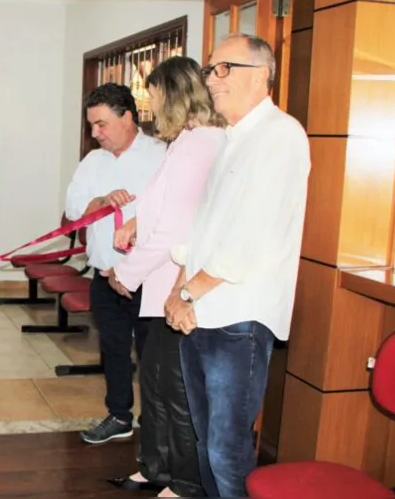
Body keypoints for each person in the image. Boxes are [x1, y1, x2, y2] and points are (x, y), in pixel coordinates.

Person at [164, 34, 311, 498]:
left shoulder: (281, 135)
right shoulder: (232, 138)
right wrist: (177, 289)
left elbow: (250, 237)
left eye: (224, 68)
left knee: (227, 450)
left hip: (239, 318)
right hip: (201, 310)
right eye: (210, 69)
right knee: (206, 441)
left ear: (261, 75)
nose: (211, 79)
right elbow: (204, 228)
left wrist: (187, 293)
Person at [104, 57, 226, 498]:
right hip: (159, 285)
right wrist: (135, 222)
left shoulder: (203, 143)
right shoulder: (184, 143)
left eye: (154, 98)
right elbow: (162, 205)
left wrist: (126, 273)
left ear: (174, 96)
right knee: (153, 383)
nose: (151, 108)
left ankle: (186, 481)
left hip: (179, 286)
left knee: (177, 392)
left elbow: (177, 228)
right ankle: (155, 467)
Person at [65, 82, 166, 444]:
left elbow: (174, 215)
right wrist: (101, 201)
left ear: (128, 117)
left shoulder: (162, 155)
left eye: (102, 124)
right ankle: (119, 415)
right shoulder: (93, 161)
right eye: (92, 125)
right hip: (105, 276)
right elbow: (74, 211)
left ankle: (156, 426)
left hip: (150, 279)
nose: (96, 133)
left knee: (153, 357)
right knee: (114, 348)